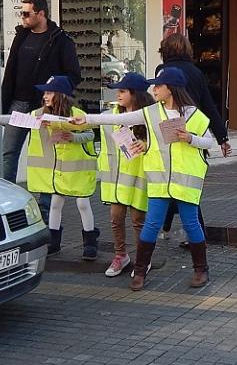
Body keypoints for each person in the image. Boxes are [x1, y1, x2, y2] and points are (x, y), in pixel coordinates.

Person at [72, 67, 214, 291]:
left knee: (191, 224)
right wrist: (87, 118)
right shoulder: (151, 112)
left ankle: (200, 269)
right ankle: (139, 271)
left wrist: (190, 138)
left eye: (158, 85)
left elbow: (209, 142)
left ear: (171, 89)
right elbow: (119, 118)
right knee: (151, 225)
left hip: (186, 181)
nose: (154, 89)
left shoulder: (194, 115)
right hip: (159, 181)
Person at [0, 76, 100, 260]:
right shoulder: (38, 115)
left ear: (60, 95)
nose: (45, 96)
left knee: (82, 203)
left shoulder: (76, 114)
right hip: (55, 172)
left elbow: (90, 133)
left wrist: (72, 137)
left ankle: (90, 242)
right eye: (45, 92)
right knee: (56, 203)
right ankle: (54, 242)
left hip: (77, 169)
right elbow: (15, 119)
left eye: (49, 92)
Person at [0, 0, 80, 189]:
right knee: (8, 152)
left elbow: (73, 75)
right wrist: (5, 101)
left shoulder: (61, 40)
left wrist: (54, 94)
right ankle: (8, 198)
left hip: (45, 107)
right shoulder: (21, 36)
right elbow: (11, 70)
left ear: (41, 14)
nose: (23, 18)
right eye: (21, 13)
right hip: (19, 104)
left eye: (27, 14)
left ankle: (47, 208)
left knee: (46, 155)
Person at [156, 34, 230, 244]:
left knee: (174, 185)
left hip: (168, 136)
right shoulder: (196, 73)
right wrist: (222, 137)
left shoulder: (162, 72)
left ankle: (195, 234)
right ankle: (179, 229)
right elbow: (208, 106)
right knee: (187, 188)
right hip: (194, 135)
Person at [98, 72, 154, 279]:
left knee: (138, 219)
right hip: (117, 178)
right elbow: (91, 124)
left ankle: (143, 259)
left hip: (140, 177)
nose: (118, 95)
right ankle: (121, 255)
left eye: (122, 91)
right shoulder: (112, 114)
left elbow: (162, 143)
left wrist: (146, 144)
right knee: (116, 218)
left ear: (135, 93)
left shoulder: (149, 116)